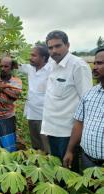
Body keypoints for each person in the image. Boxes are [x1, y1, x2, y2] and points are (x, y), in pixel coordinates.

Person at [41, 30, 92, 166]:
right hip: (51, 128)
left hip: (67, 132)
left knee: (68, 172)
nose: (53, 51)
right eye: (50, 47)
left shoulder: (78, 66)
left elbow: (87, 101)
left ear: (67, 45)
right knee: (56, 169)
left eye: (58, 46)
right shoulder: (52, 64)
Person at [63, 48, 104, 169]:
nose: (95, 67)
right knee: (89, 188)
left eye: (100, 63)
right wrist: (70, 150)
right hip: (88, 159)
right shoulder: (89, 94)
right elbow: (78, 123)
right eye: (95, 63)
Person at [19, 45, 50, 153]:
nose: (30, 57)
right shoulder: (30, 68)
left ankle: (48, 165)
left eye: (34, 55)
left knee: (46, 144)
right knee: (35, 143)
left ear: (44, 58)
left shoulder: (51, 70)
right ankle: (37, 163)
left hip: (45, 114)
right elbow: (15, 65)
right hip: (31, 112)